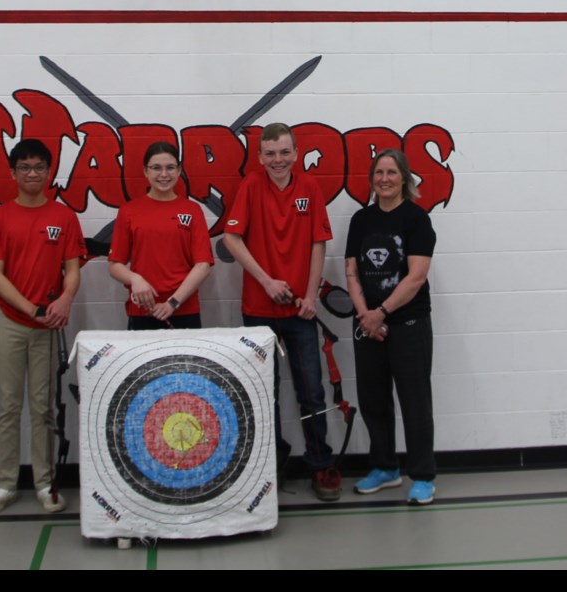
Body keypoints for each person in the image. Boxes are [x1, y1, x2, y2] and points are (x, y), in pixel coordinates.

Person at [223, 122, 341, 501]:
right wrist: (266, 280)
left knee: (312, 394)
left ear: (295, 152)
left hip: (301, 313)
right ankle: (269, 467)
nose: (278, 160)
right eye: (270, 153)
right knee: (263, 394)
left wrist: (309, 296)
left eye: (284, 152)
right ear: (260, 157)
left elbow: (318, 244)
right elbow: (231, 237)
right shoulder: (250, 187)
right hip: (258, 311)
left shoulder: (310, 188)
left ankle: (321, 464)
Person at [0, 138, 85, 515]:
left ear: (49, 172)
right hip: (9, 322)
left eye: (39, 167)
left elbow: (72, 270)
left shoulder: (64, 217)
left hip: (47, 326)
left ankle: (44, 482)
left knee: (43, 408)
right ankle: (6, 484)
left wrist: (63, 300)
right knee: (9, 406)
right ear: (13, 173)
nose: (32, 173)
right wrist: (31, 308)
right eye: (24, 167)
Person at [345, 148, 437, 505]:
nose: (385, 179)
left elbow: (416, 277)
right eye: (379, 173)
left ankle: (423, 475)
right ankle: (385, 467)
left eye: (392, 172)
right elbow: (352, 269)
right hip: (368, 325)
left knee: (415, 402)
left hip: (408, 324)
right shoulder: (361, 220)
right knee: (373, 400)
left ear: (404, 179)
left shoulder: (416, 219)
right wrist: (365, 315)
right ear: (372, 180)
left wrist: (380, 312)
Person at [108, 142, 213, 330]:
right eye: (156, 168)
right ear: (145, 171)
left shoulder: (192, 210)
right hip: (143, 311)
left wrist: (173, 302)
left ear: (179, 170)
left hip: (184, 311)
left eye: (170, 168)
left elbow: (203, 265)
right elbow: (115, 265)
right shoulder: (129, 211)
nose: (164, 175)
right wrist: (135, 279)